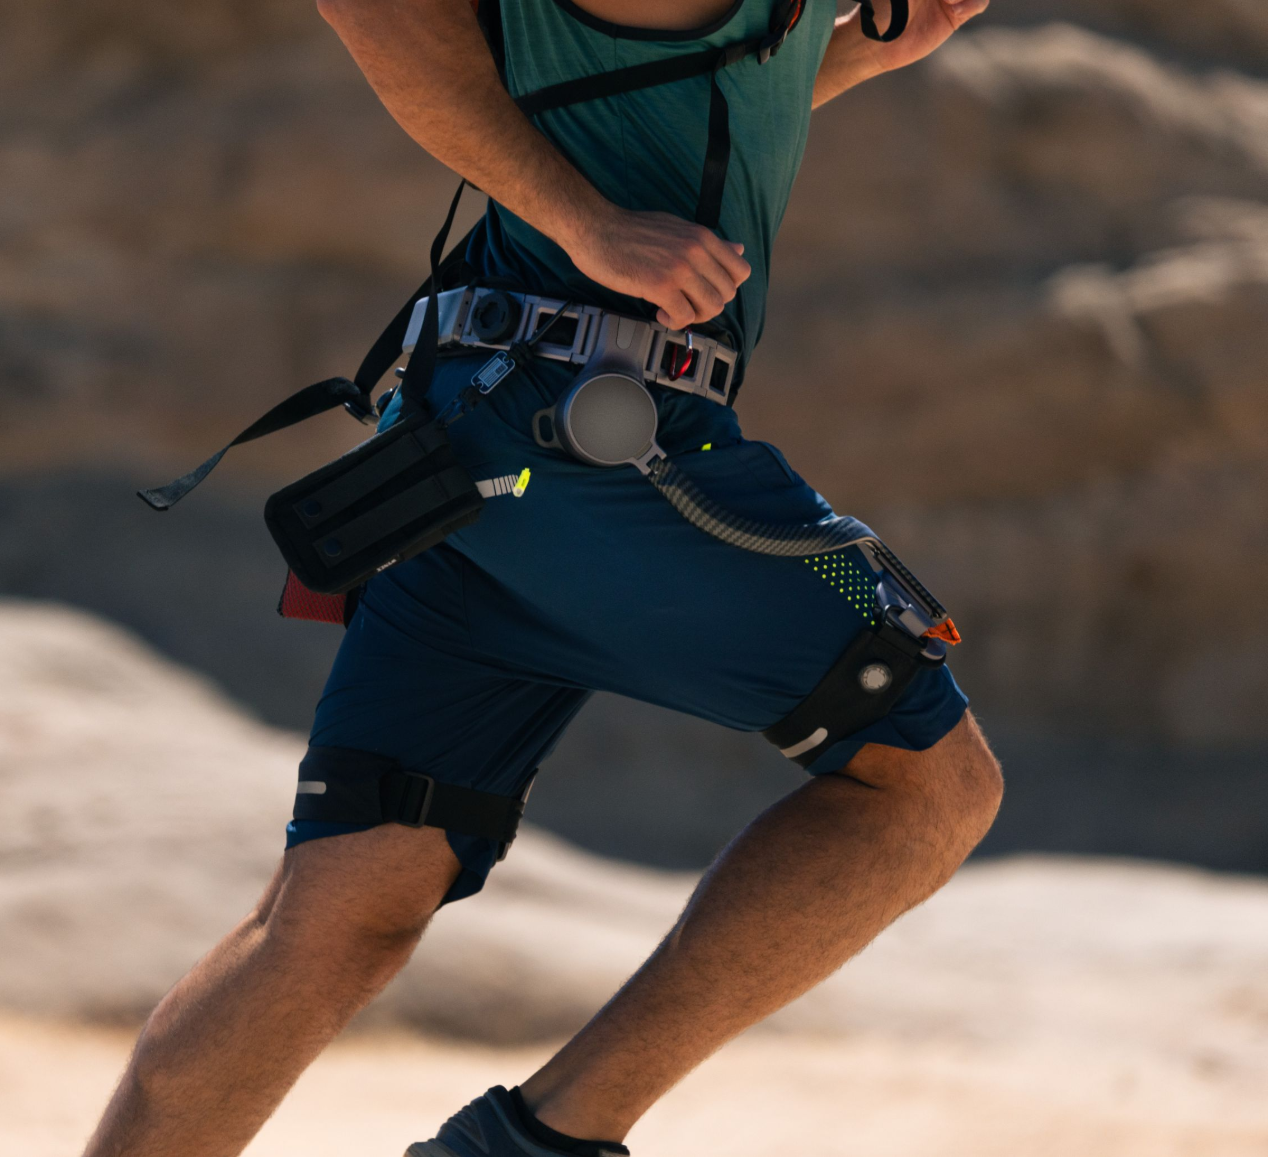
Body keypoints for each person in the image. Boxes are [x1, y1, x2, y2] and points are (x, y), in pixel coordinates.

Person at [83, 0, 1002, 1154]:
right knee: (930, 787)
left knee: (344, 910)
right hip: (587, 438)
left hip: (479, 450)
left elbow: (633, 95)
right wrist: (589, 223)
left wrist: (855, 48)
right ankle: (542, 1141)